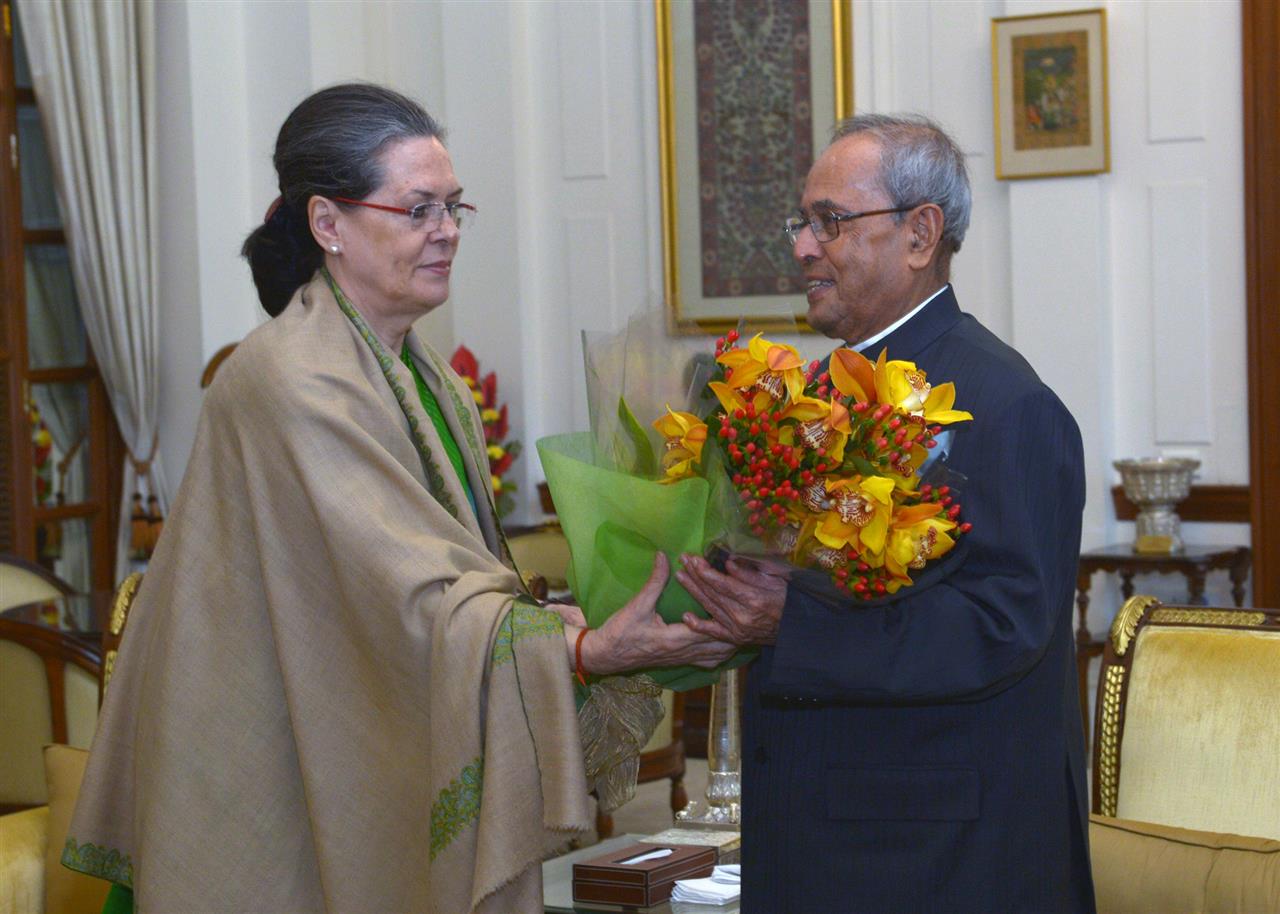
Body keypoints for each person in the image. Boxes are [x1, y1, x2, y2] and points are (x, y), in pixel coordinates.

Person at [63, 83, 734, 914]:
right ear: (327, 224)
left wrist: (564, 623)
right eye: (418, 210)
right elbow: (405, 600)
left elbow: (453, 581)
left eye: (454, 208)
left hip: (353, 719)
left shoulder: (430, 378)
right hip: (271, 758)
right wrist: (579, 650)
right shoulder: (288, 378)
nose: (447, 232)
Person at [677, 113, 1095, 912]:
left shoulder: (1005, 405)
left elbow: (1002, 627)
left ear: (920, 234)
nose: (802, 245)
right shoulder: (815, 395)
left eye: (830, 221)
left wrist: (786, 623)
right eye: (802, 221)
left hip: (938, 859)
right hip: (821, 836)